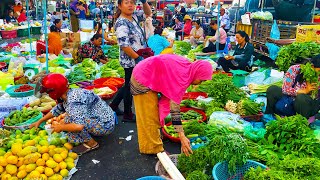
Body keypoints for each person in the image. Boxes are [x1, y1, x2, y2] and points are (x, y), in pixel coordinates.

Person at [130, 54, 213, 155]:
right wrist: (181, 136)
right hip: (143, 78)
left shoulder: (188, 69)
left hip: (148, 73)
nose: (200, 83)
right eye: (201, 80)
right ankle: (153, 149)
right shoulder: (182, 78)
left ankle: (155, 138)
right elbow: (175, 109)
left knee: (154, 112)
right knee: (148, 116)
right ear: (197, 72)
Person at [30, 73, 116, 155]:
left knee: (70, 120)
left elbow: (79, 126)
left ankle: (92, 143)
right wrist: (40, 121)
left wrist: (61, 127)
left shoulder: (73, 101)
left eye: (48, 92)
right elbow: (57, 110)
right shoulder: (67, 94)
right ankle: (89, 135)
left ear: (55, 91)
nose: (48, 94)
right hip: (101, 118)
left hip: (105, 124)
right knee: (69, 118)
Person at [109, 0, 152, 122]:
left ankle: (114, 105)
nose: (130, 5)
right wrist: (137, 58)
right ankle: (127, 113)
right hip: (130, 60)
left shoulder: (134, 17)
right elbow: (124, 45)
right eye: (126, 2)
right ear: (120, 6)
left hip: (138, 58)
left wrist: (144, 2)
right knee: (130, 86)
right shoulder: (122, 23)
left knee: (128, 84)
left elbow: (148, 13)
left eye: (132, 2)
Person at [266, 55, 320, 119]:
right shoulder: (294, 69)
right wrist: (303, 91)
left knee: (301, 97)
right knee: (272, 90)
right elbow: (285, 89)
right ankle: (269, 116)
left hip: (306, 106)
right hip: (290, 101)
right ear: (312, 66)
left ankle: (302, 122)